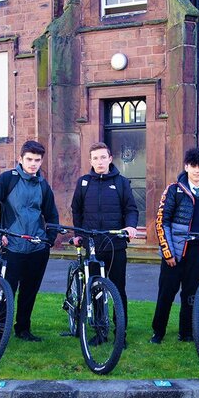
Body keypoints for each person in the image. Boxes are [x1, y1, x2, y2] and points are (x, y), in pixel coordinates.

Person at [0, 140, 59, 342]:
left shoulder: (43, 185)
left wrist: (49, 240)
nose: (33, 164)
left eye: (37, 160)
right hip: (11, 246)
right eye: (29, 159)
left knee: (29, 291)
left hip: (37, 248)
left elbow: (52, 214)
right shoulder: (8, 179)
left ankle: (23, 329)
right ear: (21, 159)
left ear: (41, 161)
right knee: (6, 292)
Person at [150, 148, 199, 344]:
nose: (197, 171)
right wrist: (168, 252)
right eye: (193, 166)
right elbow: (161, 222)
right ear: (186, 167)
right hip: (175, 250)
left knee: (191, 295)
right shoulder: (174, 190)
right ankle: (158, 332)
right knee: (166, 294)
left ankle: (186, 332)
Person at [70, 142, 139, 346]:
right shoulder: (83, 183)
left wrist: (131, 227)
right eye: (95, 158)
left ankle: (121, 333)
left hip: (115, 245)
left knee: (118, 290)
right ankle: (100, 332)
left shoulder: (121, 183)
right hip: (92, 246)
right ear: (90, 161)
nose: (99, 162)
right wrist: (78, 234)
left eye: (103, 157)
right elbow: (77, 210)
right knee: (95, 290)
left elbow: (131, 210)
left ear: (110, 159)